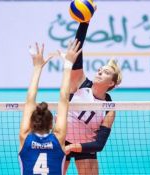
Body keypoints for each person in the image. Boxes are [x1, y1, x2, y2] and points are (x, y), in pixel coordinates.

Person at [63, 7, 122, 175]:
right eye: (100, 69)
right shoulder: (82, 84)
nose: (100, 71)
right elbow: (77, 56)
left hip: (85, 146)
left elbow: (100, 144)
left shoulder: (109, 108)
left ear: (112, 83)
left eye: (106, 72)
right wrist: (84, 22)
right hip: (62, 140)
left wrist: (74, 147)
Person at [18, 40, 82, 175]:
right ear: (52, 123)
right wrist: (68, 64)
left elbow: (30, 101)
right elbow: (64, 99)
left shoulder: (25, 137)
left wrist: (37, 68)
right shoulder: (58, 138)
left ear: (32, 122)